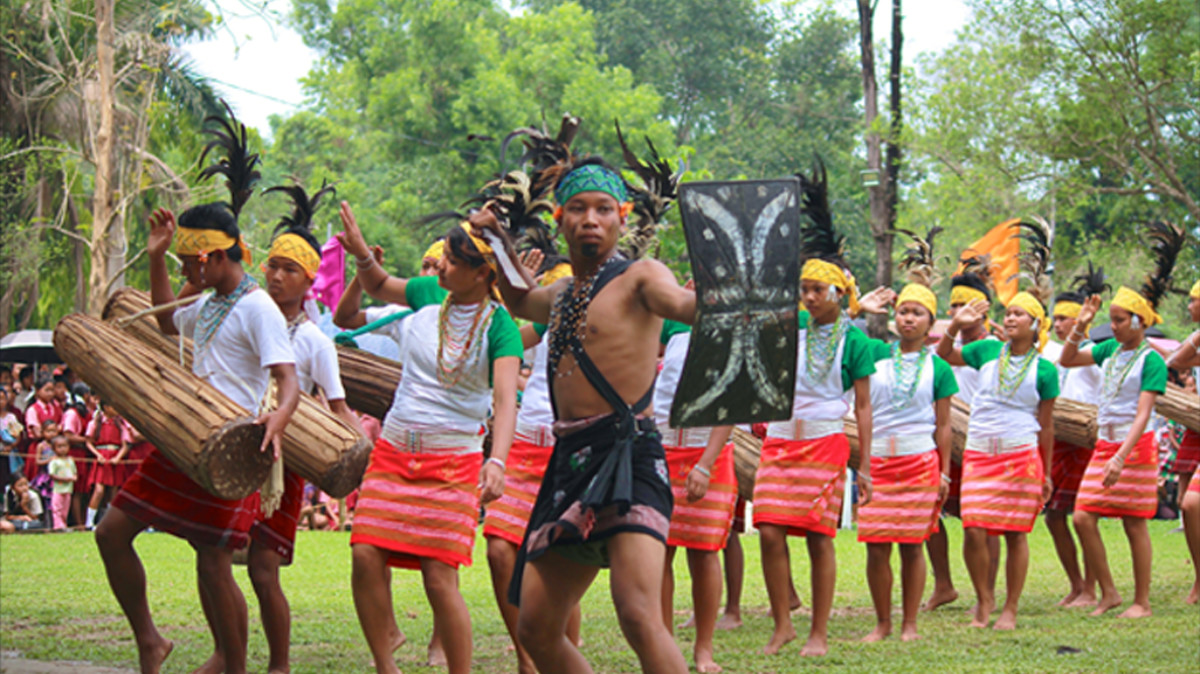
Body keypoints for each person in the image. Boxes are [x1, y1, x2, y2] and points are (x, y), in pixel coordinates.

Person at [95, 109, 300, 674]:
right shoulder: (209, 302)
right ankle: (150, 640)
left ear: (210, 257)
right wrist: (156, 256)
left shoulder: (258, 308)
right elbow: (167, 323)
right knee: (111, 532)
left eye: (188, 261)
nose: (186, 271)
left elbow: (287, 379)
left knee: (212, 563)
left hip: (232, 446)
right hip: (185, 441)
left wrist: (279, 420)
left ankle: (233, 667)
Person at [480, 158, 695, 674]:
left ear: (623, 216)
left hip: (629, 457)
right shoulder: (561, 295)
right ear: (560, 219)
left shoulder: (642, 277)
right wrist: (495, 240)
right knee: (535, 627)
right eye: (577, 209)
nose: (591, 220)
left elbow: (684, 305)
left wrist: (732, 289)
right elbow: (518, 300)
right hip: (571, 462)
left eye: (603, 209)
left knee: (638, 614)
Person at [338, 203, 521, 674]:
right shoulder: (427, 294)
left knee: (440, 578)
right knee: (364, 554)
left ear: (482, 274)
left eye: (453, 262)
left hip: (453, 462)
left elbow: (505, 401)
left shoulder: (501, 327)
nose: (441, 266)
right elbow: (378, 284)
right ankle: (386, 667)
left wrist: (497, 461)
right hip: (394, 452)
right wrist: (361, 254)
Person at [236, 181, 363, 674]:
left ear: (310, 280)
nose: (276, 276)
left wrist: (364, 460)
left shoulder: (314, 342)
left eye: (290, 269)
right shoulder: (249, 319)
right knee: (216, 558)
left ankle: (279, 665)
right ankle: (228, 654)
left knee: (263, 570)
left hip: (283, 466)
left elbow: (339, 408)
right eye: (272, 265)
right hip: (240, 449)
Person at [752, 167, 876, 657]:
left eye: (816, 290)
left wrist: (865, 465)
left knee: (819, 537)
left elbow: (862, 406)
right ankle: (783, 624)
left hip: (825, 441)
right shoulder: (790, 328)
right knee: (768, 529)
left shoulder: (855, 341)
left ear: (838, 294)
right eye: (803, 289)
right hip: (780, 439)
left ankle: (818, 632)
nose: (806, 297)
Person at [1063, 230, 1181, 618]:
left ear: (1138, 321)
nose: (1112, 326)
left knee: (1134, 524)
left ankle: (1141, 601)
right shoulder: (1110, 350)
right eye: (1111, 319)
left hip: (1135, 447)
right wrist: (1081, 323)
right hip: (1105, 444)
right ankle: (1109, 593)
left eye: (1118, 320)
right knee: (1083, 516)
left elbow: (1143, 414)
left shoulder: (1151, 361)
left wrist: (1121, 457)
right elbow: (1067, 360)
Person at [936, 280, 1058, 630]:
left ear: (1035, 324)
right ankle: (984, 599)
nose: (1011, 318)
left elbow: (1046, 426)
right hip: (979, 453)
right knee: (974, 527)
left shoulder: (1045, 370)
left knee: (1015, 533)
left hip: (1020, 454)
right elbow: (943, 356)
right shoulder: (987, 351)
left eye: (1019, 314)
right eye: (1008, 313)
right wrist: (955, 326)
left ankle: (1010, 608)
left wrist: (1047, 473)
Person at [481, 261, 583, 674]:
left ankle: (561, 657)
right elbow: (494, 345)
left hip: (568, 449)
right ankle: (527, 659)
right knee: (498, 548)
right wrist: (499, 287)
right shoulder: (543, 327)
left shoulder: (607, 327)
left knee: (558, 561)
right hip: (524, 445)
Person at [855, 239, 957, 643]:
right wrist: (857, 308)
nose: (908, 319)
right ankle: (882, 622)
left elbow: (944, 426)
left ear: (931, 322)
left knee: (913, 544)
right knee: (876, 545)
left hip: (919, 462)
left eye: (917, 313)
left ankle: (909, 623)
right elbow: (832, 336)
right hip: (879, 461)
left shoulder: (939, 368)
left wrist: (945, 473)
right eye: (903, 311)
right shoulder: (874, 354)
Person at [651, 318, 737, 672]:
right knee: (658, 552)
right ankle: (665, 645)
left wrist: (705, 465)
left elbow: (731, 402)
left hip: (707, 453)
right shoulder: (669, 326)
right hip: (660, 448)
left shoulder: (733, 329)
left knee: (704, 551)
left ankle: (704, 649)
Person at [924, 256, 1000, 612]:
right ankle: (943, 585)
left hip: (980, 442)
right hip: (943, 440)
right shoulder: (944, 344)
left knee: (983, 520)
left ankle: (987, 592)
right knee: (930, 512)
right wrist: (953, 327)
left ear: (983, 310)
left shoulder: (994, 346)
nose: (958, 311)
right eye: (953, 305)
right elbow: (938, 360)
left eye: (965, 305)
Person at [1040, 267, 1107, 607]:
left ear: (1081, 320)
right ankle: (1076, 584)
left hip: (1085, 442)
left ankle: (1092, 589)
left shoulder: (1095, 354)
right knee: (1053, 516)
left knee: (1085, 516)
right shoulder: (1052, 354)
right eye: (1056, 319)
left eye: (1065, 318)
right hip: (1058, 442)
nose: (1059, 324)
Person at [1166, 280, 1200, 604]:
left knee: (1191, 503)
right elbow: (1176, 362)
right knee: (1184, 502)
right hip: (1196, 426)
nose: (1189, 306)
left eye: (1193, 301)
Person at [84, 402, 131, 529]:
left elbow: (125, 445)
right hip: (102, 456)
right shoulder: (96, 422)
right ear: (105, 407)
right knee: (99, 490)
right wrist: (97, 455)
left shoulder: (120, 423)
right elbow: (88, 442)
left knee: (114, 491)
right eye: (112, 406)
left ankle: (111, 523)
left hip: (115, 456)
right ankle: (89, 522)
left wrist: (118, 457)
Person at [61, 383, 97, 527]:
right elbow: (68, 435)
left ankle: (84, 520)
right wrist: (86, 440)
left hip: (85, 454)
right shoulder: (72, 413)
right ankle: (78, 523)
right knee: (77, 491)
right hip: (76, 453)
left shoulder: (88, 412)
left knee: (84, 491)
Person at [47, 434, 76, 530]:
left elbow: (74, 472)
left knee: (65, 509)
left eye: (64, 446)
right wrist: (64, 479)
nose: (62, 449)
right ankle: (57, 526)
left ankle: (63, 524)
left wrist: (74, 477)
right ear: (54, 449)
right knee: (57, 508)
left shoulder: (70, 460)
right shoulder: (54, 461)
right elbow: (52, 474)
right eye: (59, 447)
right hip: (58, 489)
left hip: (68, 489)